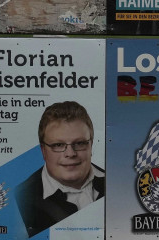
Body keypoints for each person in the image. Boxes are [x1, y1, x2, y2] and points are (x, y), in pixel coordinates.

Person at [13, 101, 105, 238]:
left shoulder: (119, 188)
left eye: (79, 143)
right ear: (43, 151)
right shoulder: (18, 200)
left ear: (91, 145)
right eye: (58, 145)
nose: (70, 153)